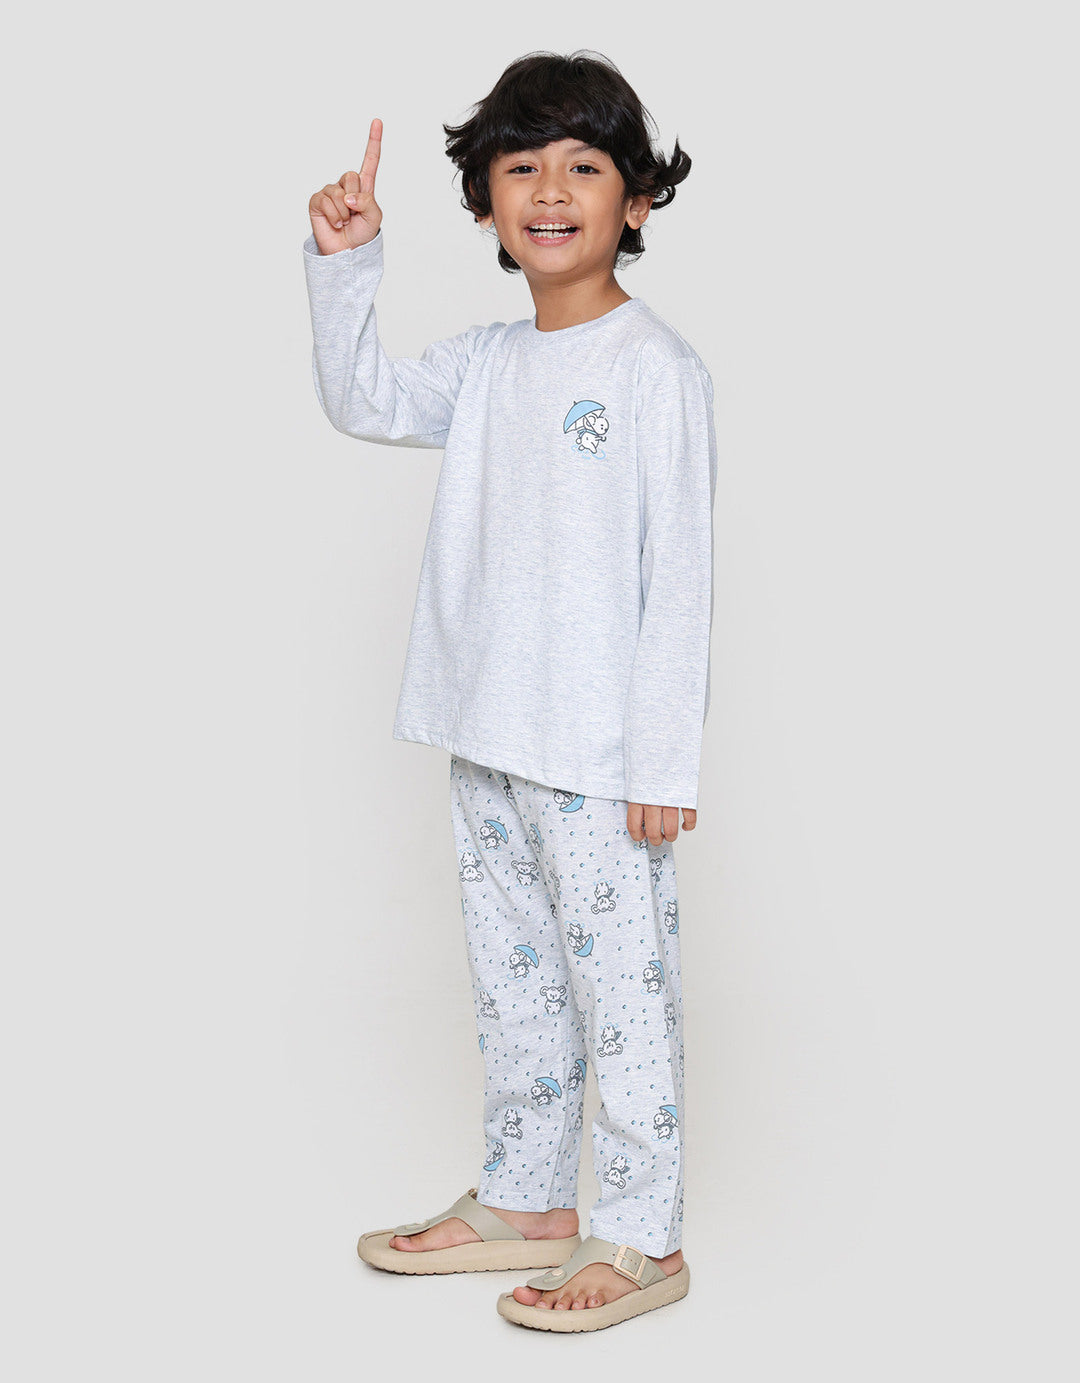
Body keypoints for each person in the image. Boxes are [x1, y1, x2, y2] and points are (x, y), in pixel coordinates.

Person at [303, 50, 716, 1332]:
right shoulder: (486, 363)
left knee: (623, 993)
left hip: (598, 758)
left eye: (584, 166)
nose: (549, 190)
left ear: (635, 201)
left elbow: (681, 574)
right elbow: (364, 400)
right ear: (485, 202)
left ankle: (641, 1234)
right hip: (486, 734)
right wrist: (346, 266)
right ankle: (530, 1199)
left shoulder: (655, 370)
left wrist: (663, 763)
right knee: (518, 985)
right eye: (521, 166)